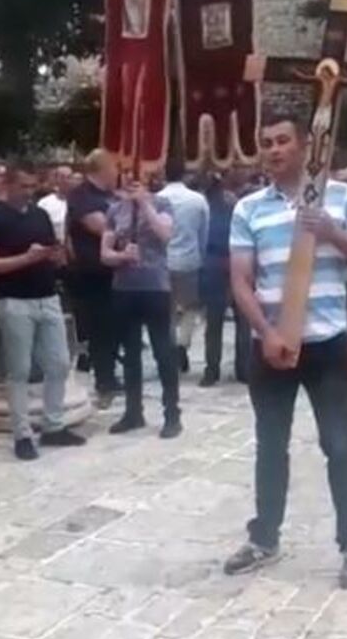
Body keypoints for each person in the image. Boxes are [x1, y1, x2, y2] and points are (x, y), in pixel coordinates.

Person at [223, 112, 347, 589]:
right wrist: (266, 332)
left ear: (305, 146)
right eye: (266, 142)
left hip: (327, 346)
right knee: (271, 445)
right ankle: (264, 538)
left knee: (339, 444)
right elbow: (241, 281)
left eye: (282, 140)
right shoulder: (249, 208)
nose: (273, 150)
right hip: (271, 348)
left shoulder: (345, 198)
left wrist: (332, 233)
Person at [0, 163, 88, 461]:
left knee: (59, 363)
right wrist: (26, 258)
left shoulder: (40, 215)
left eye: (31, 186)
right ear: (8, 185)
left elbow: (52, 251)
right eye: (22, 186)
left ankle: (53, 424)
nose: (28, 192)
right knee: (19, 370)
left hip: (47, 297)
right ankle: (22, 434)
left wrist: (55, 257)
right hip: (14, 301)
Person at [101, 170, 182, 439]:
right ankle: (133, 411)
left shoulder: (162, 204)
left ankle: (172, 413)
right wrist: (121, 256)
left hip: (155, 286)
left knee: (163, 351)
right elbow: (105, 253)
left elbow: (165, 234)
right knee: (130, 353)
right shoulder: (114, 210)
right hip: (124, 287)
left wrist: (144, 203)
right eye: (125, 174)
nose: (130, 179)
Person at [67, 149, 121, 407]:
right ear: (103, 169)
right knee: (100, 328)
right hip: (92, 273)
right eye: (115, 168)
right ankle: (104, 380)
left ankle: (110, 374)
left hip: (113, 271)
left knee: (113, 327)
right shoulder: (82, 196)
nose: (117, 173)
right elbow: (103, 227)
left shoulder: (109, 196)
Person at [157, 163, 210, 375]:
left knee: (167, 309)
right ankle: (183, 342)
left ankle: (170, 347)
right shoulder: (198, 200)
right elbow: (204, 232)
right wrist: (201, 255)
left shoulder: (156, 199)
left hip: (163, 260)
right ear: (185, 175)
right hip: (189, 260)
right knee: (192, 306)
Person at [199, 169, 250, 387]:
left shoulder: (205, 207)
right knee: (243, 320)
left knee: (214, 322)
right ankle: (243, 369)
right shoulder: (237, 205)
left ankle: (212, 370)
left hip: (214, 265)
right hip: (235, 263)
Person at [37, 165, 72, 244]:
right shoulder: (44, 203)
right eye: (62, 177)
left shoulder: (81, 202)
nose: (66, 181)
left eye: (69, 177)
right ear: (56, 180)